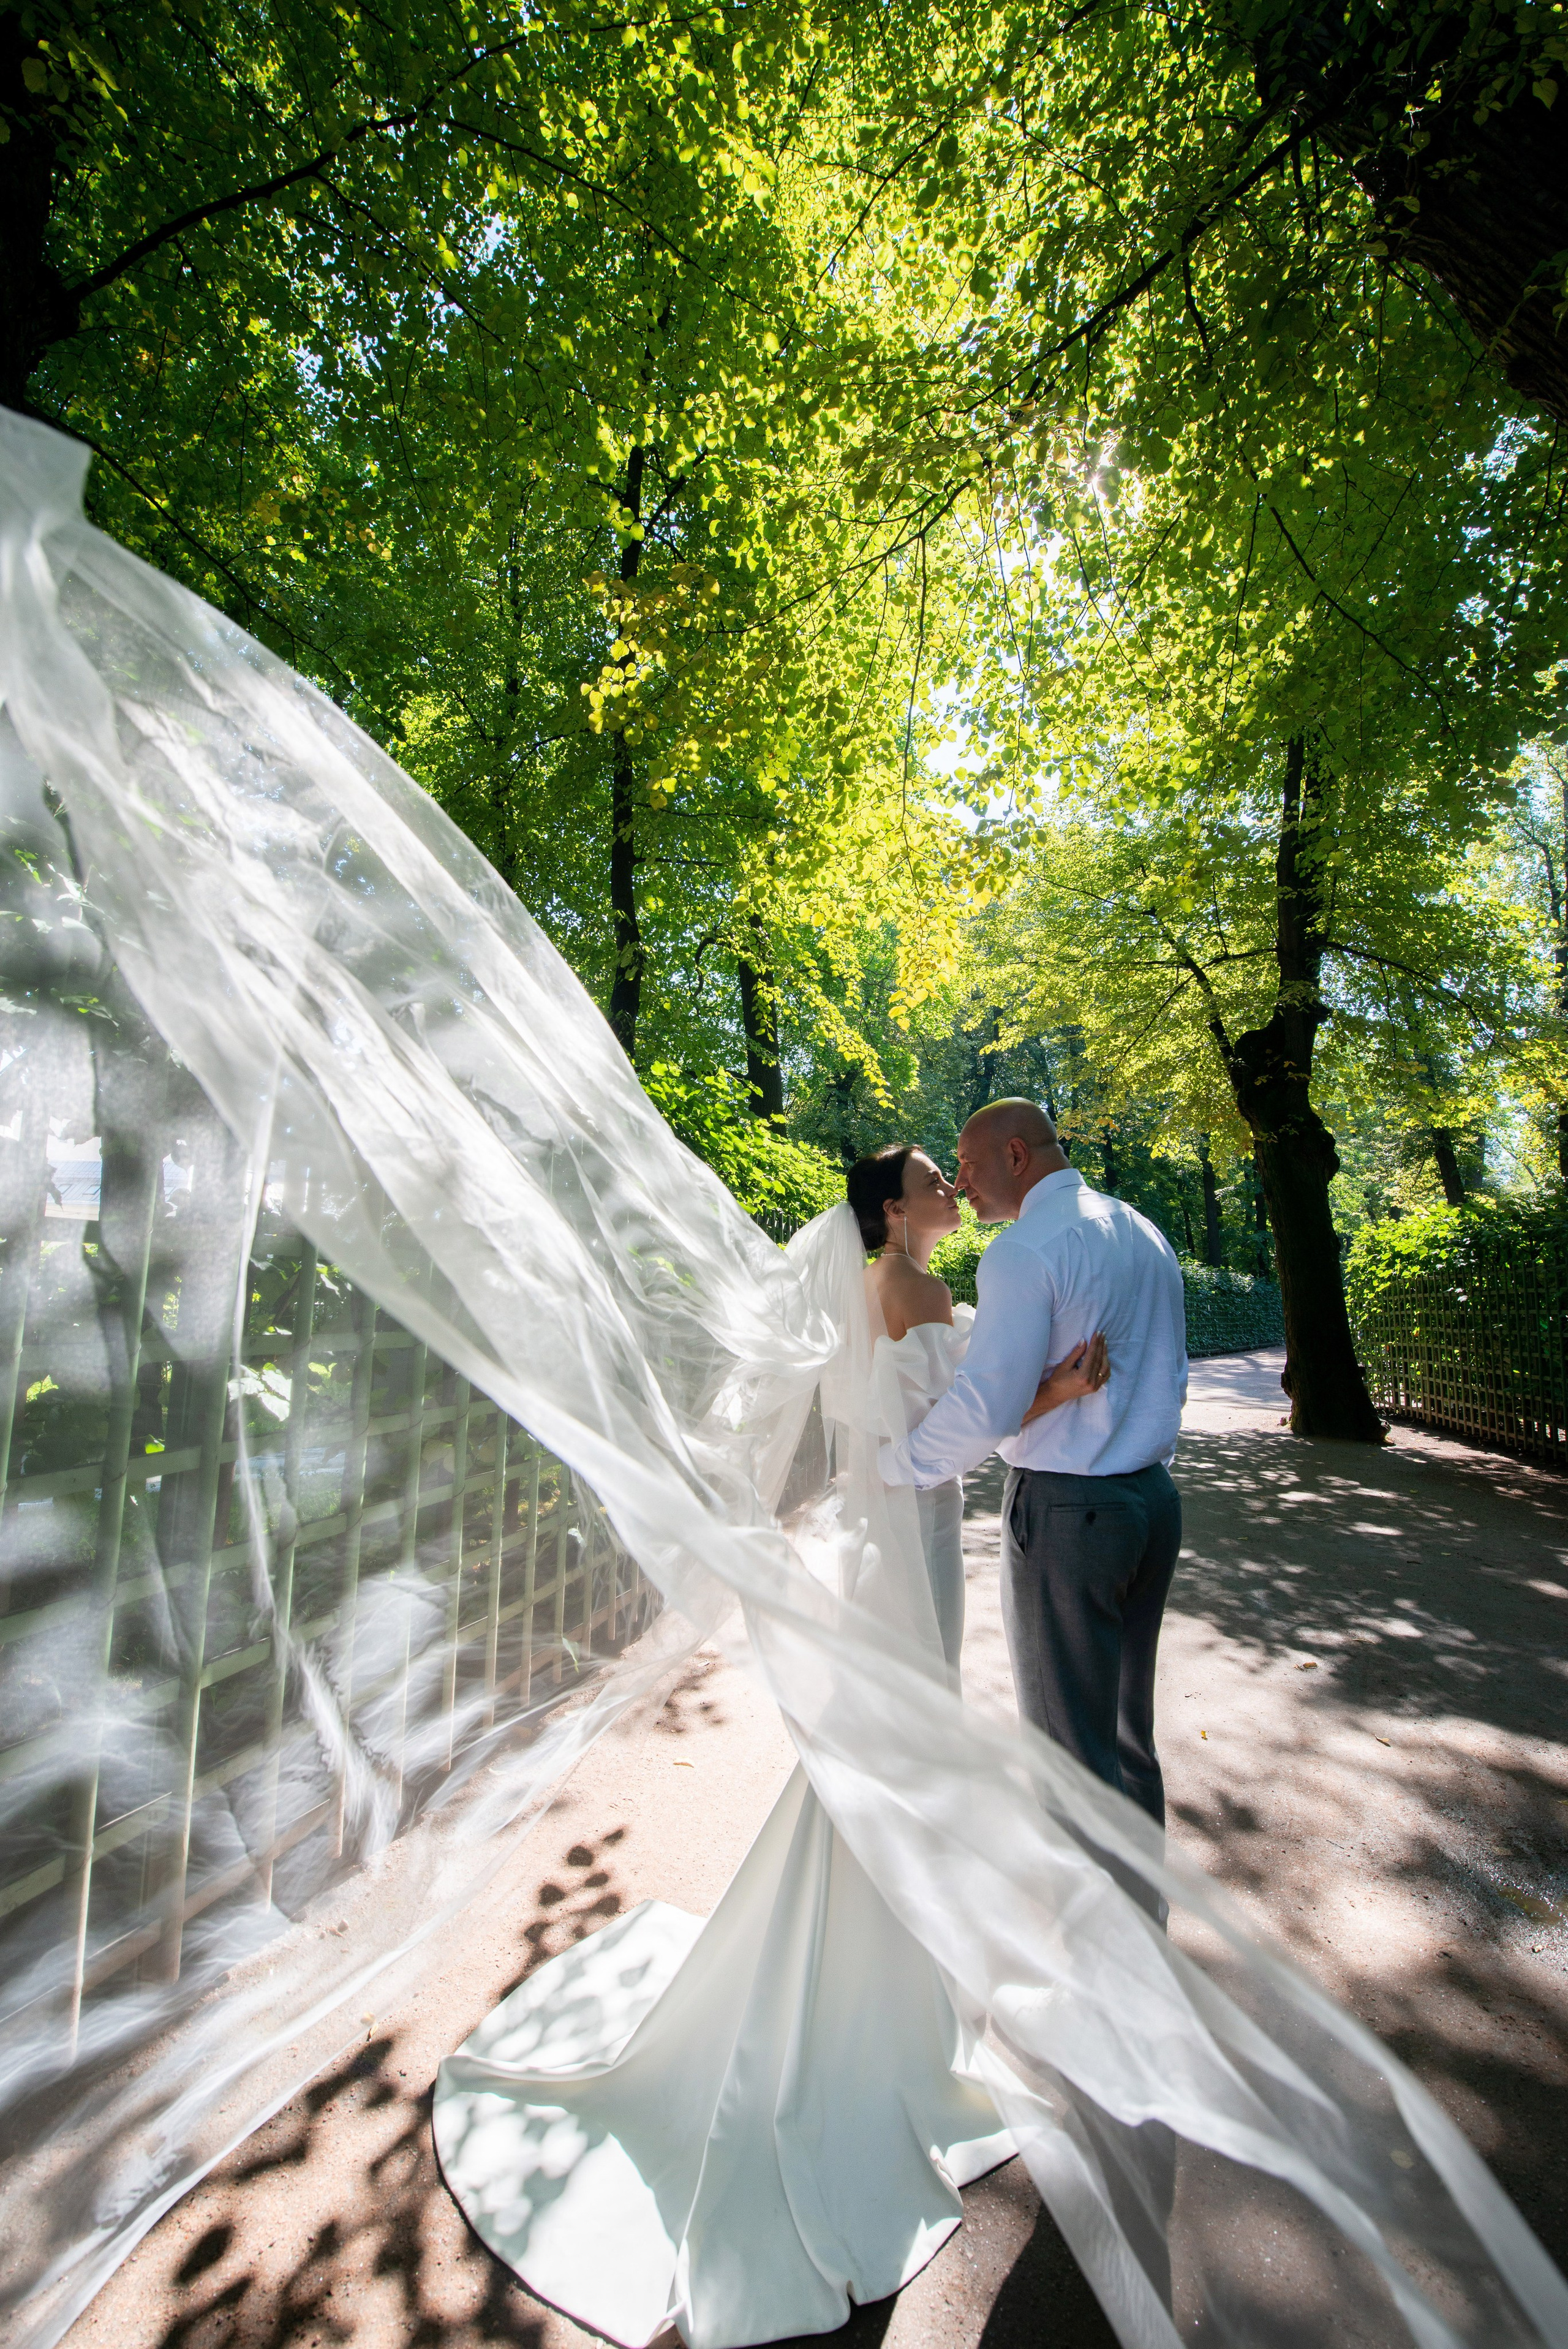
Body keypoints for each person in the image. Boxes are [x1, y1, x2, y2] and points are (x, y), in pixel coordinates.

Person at [432, 1150, 1107, 2349]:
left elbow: (892, 1427)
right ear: (891, 1211)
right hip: (911, 1548)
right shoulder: (913, 1287)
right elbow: (949, 1434)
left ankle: (876, 1977)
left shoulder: (866, 1290)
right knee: (904, 1759)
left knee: (890, 1762)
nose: (951, 1192)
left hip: (885, 1548)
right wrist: (1052, 1393)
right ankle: (875, 2009)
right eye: (931, 1182)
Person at [878, 1101, 1186, 1830]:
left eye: (967, 1164)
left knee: (1066, 1757)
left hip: (1069, 1514)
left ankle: (1087, 1907)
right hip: (1153, 1502)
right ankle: (1138, 1898)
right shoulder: (1143, 1230)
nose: (961, 1183)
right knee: (1129, 1742)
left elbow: (985, 1407)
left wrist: (898, 1468)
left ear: (1015, 1155)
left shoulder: (1023, 1251)